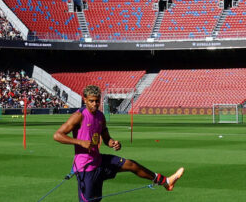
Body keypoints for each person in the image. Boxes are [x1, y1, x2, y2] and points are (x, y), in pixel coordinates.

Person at [53, 85, 183, 201]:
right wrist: (80, 142)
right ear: (85, 100)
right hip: (85, 167)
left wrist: (113, 143)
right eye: (91, 101)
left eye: (97, 101)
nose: (95, 104)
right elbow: (57, 135)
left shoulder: (100, 116)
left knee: (131, 164)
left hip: (99, 160)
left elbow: (106, 138)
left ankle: (165, 182)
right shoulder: (79, 116)